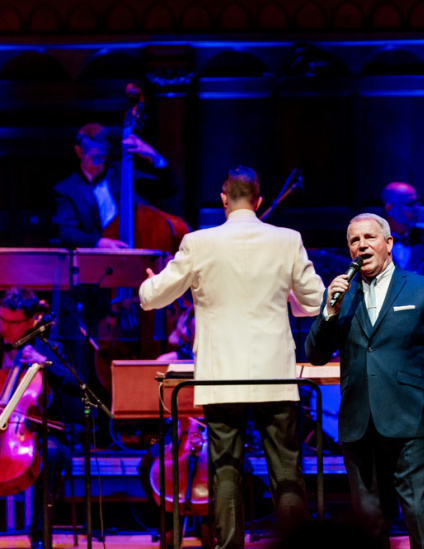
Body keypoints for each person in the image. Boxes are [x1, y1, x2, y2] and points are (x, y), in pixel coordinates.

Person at [139, 165, 325, 548]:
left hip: (220, 376)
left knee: (226, 469)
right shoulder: (287, 240)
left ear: (223, 200)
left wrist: (147, 281)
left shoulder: (198, 242)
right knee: (286, 469)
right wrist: (286, 297)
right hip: (275, 375)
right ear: (259, 200)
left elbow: (152, 298)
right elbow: (315, 303)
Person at [305, 213, 424, 549]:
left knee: (420, 517)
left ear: (388, 243)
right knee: (367, 525)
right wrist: (328, 314)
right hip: (358, 423)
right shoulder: (341, 295)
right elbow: (316, 354)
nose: (361, 245)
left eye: (369, 238)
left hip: (408, 420)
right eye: (354, 240)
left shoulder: (422, 287)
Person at [0, 287, 77, 549]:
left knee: (50, 455)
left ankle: (40, 535)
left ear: (30, 321)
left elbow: (75, 384)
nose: (4, 327)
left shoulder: (49, 346)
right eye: (1, 319)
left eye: (12, 322)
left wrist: (45, 363)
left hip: (31, 431)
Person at [54, 122, 175, 249]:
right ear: (79, 152)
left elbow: (167, 189)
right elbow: (67, 232)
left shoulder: (124, 173)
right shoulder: (67, 189)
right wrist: (98, 242)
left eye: (101, 157)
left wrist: (154, 157)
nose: (96, 163)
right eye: (91, 157)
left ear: (108, 149)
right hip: (92, 260)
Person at [381, 182, 424, 273]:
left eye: (417, 203)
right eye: (409, 204)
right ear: (389, 209)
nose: (416, 208)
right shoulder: (371, 242)